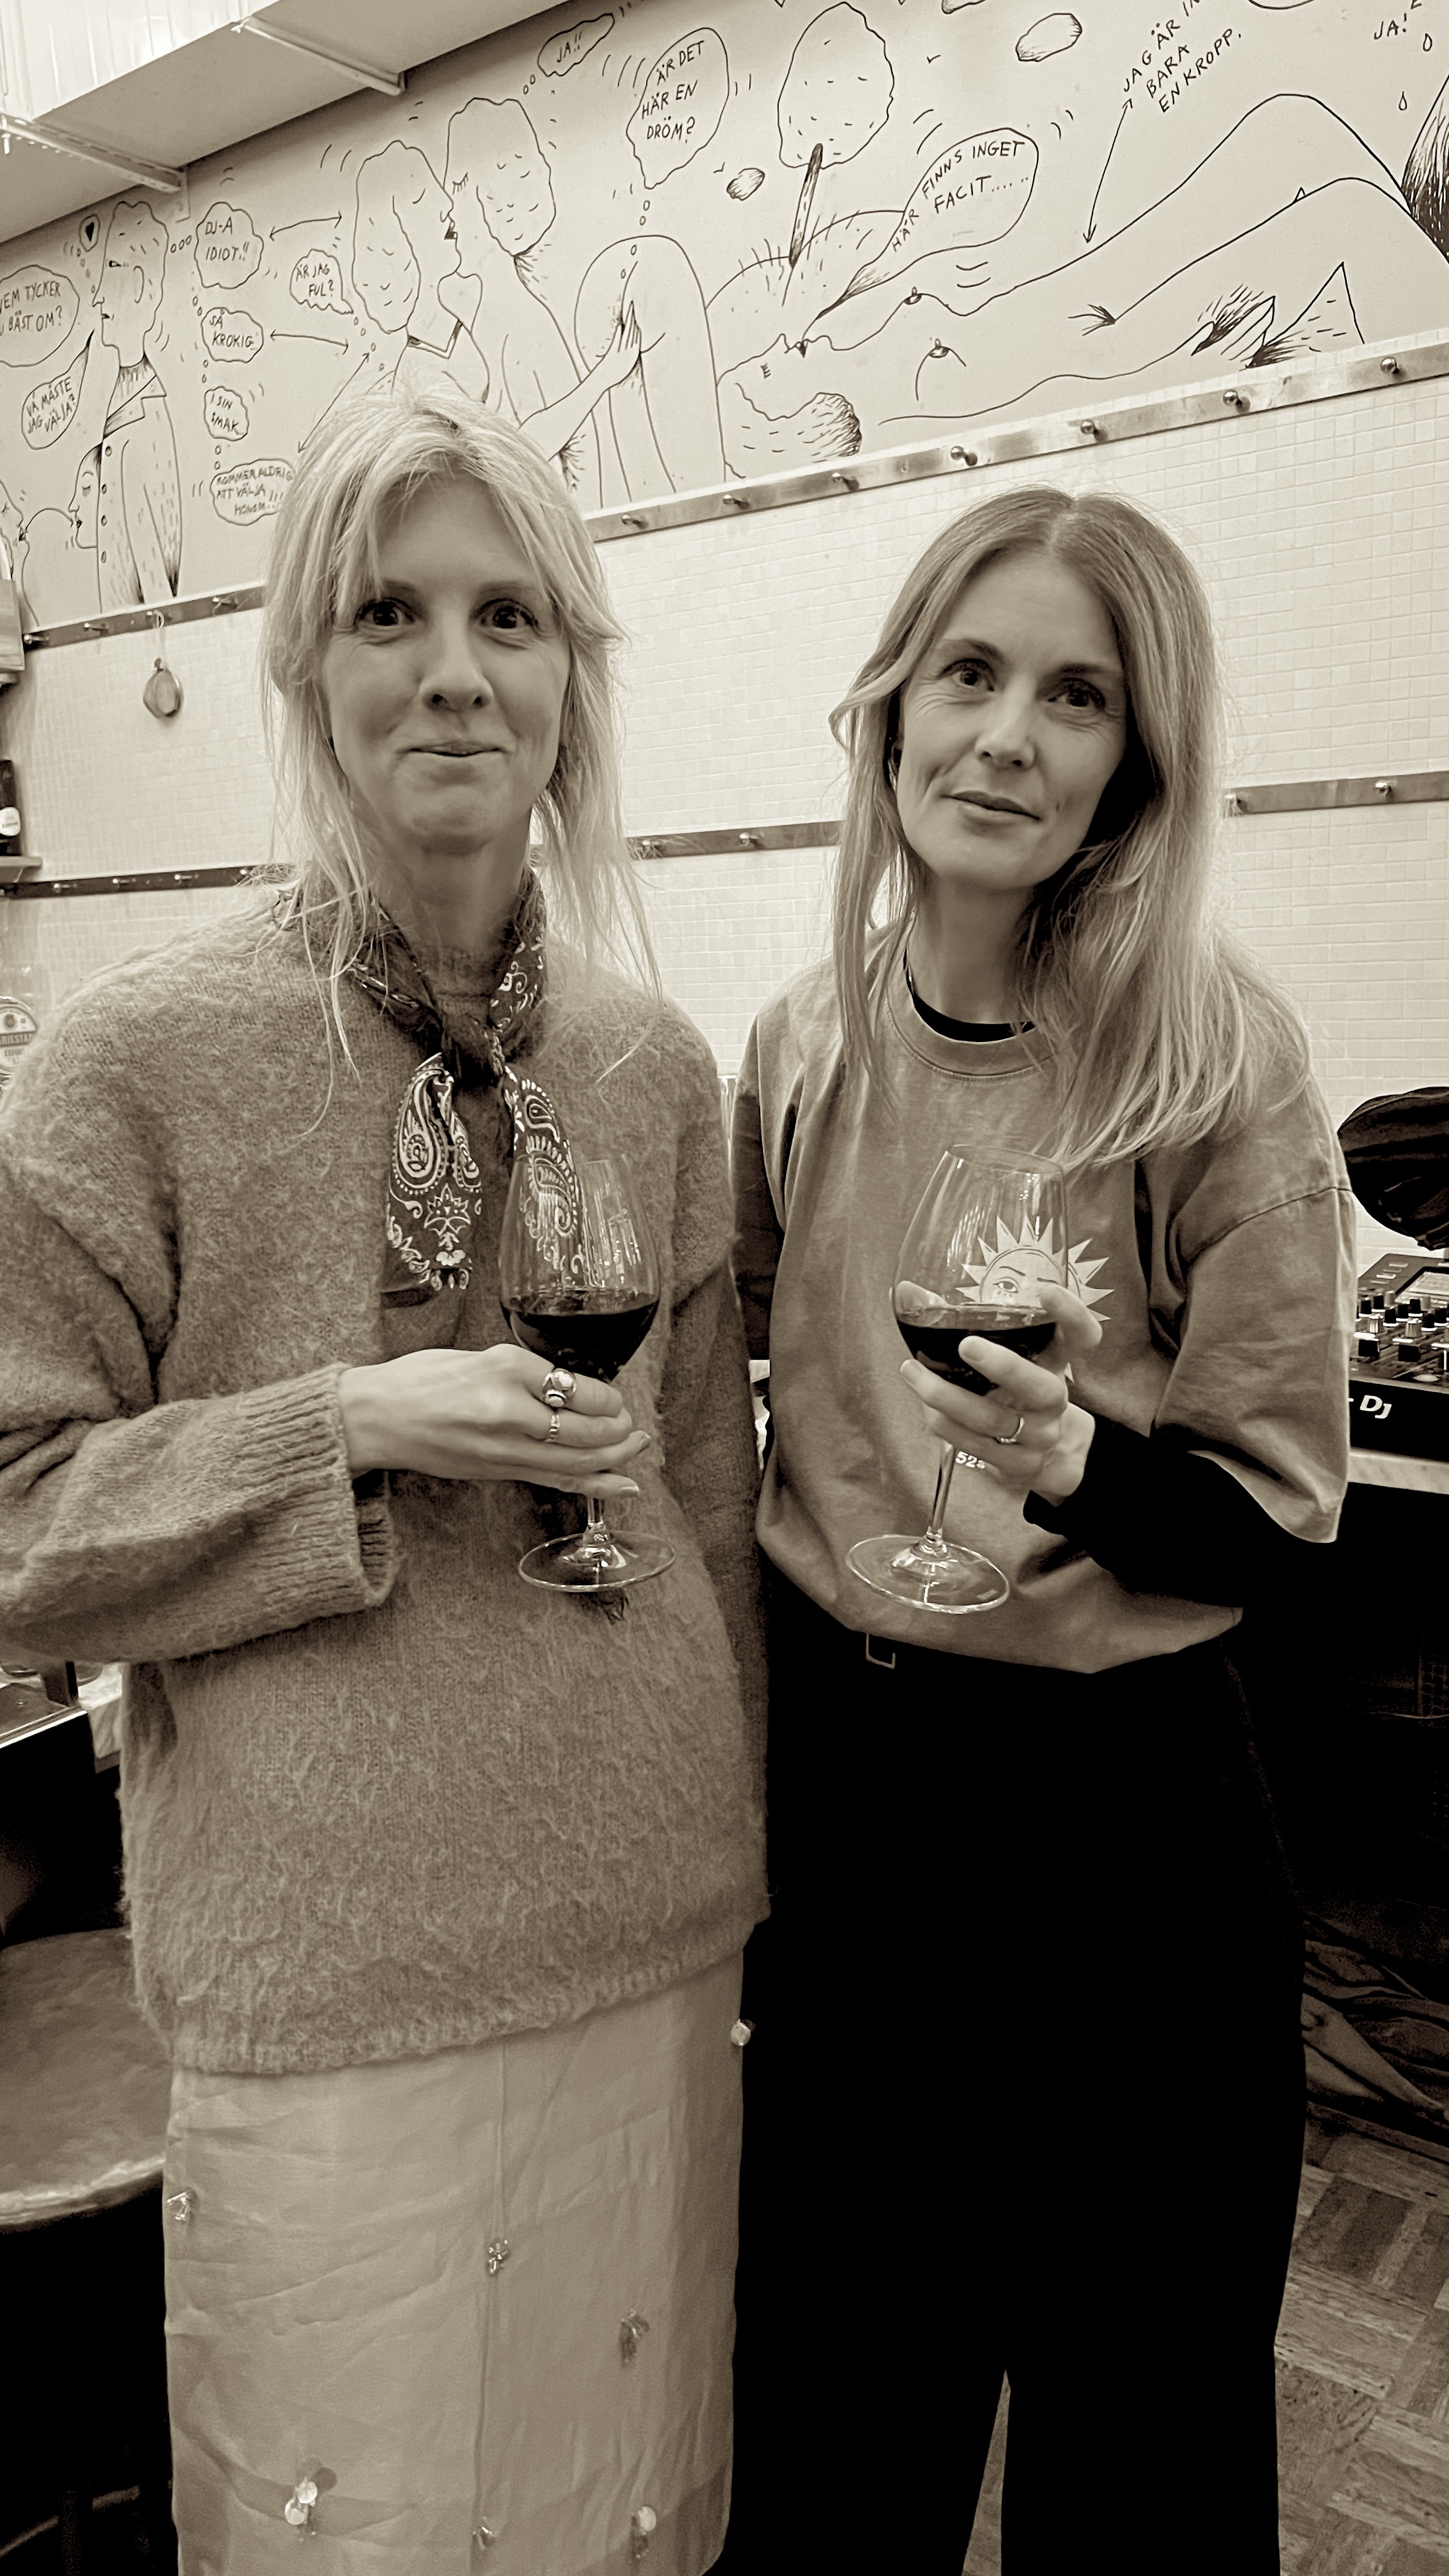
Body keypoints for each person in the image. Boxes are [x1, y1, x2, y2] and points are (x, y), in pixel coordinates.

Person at [0, 394, 767, 2573]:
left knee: (622, 2508)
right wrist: (345, 1422)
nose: (453, 672)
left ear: (570, 676)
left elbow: (702, 1506)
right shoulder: (133, 1061)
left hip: (645, 1922)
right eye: (388, 614)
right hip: (328, 1971)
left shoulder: (649, 1065)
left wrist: (752, 1851)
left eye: (508, 617)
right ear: (303, 670)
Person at [725, 487, 1353, 2573]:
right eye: (969, 673)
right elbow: (754, 1402)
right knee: (834, 2434)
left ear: (1134, 764)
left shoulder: (1213, 1061)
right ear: (889, 711)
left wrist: (1076, 1464)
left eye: (1075, 696)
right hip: (854, 1816)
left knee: (1139, 2464)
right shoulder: (796, 1046)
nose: (1006, 734)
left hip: (1124, 1845)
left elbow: (1274, 1528)